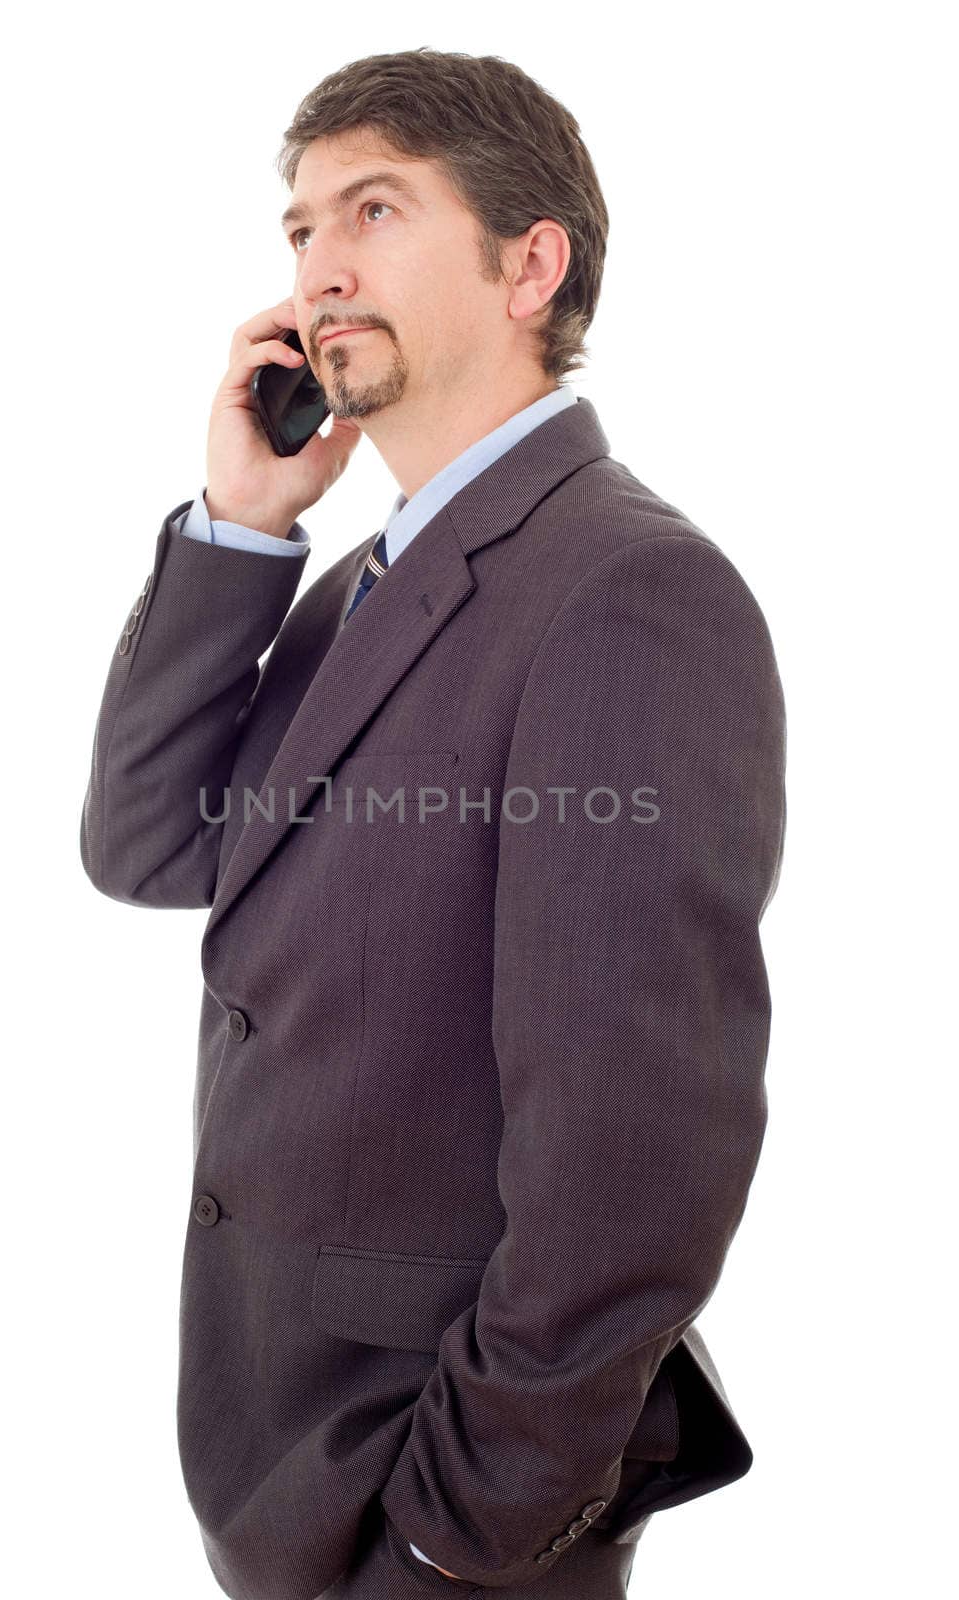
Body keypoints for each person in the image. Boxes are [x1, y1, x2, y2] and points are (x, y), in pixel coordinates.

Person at [80, 47, 786, 1600]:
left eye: (376, 208)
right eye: (300, 227)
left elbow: (636, 1156)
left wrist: (452, 1532)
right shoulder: (364, 586)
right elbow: (145, 843)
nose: (320, 268)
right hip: (283, 1453)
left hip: (441, 1504)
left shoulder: (630, 593)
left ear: (533, 264)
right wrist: (242, 529)